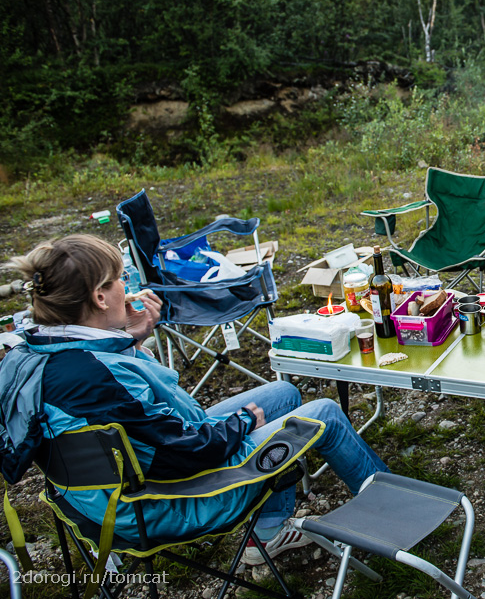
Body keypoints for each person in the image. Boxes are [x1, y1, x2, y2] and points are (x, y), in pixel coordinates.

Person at [0, 234, 388, 565]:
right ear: (101, 297)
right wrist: (239, 426)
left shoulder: (35, 351)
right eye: (120, 278)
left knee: (284, 393)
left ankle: (268, 532)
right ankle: (391, 514)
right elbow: (181, 451)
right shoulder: (95, 378)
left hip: (102, 496)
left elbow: (130, 417)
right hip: (163, 499)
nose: (126, 284)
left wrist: (132, 340)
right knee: (324, 413)